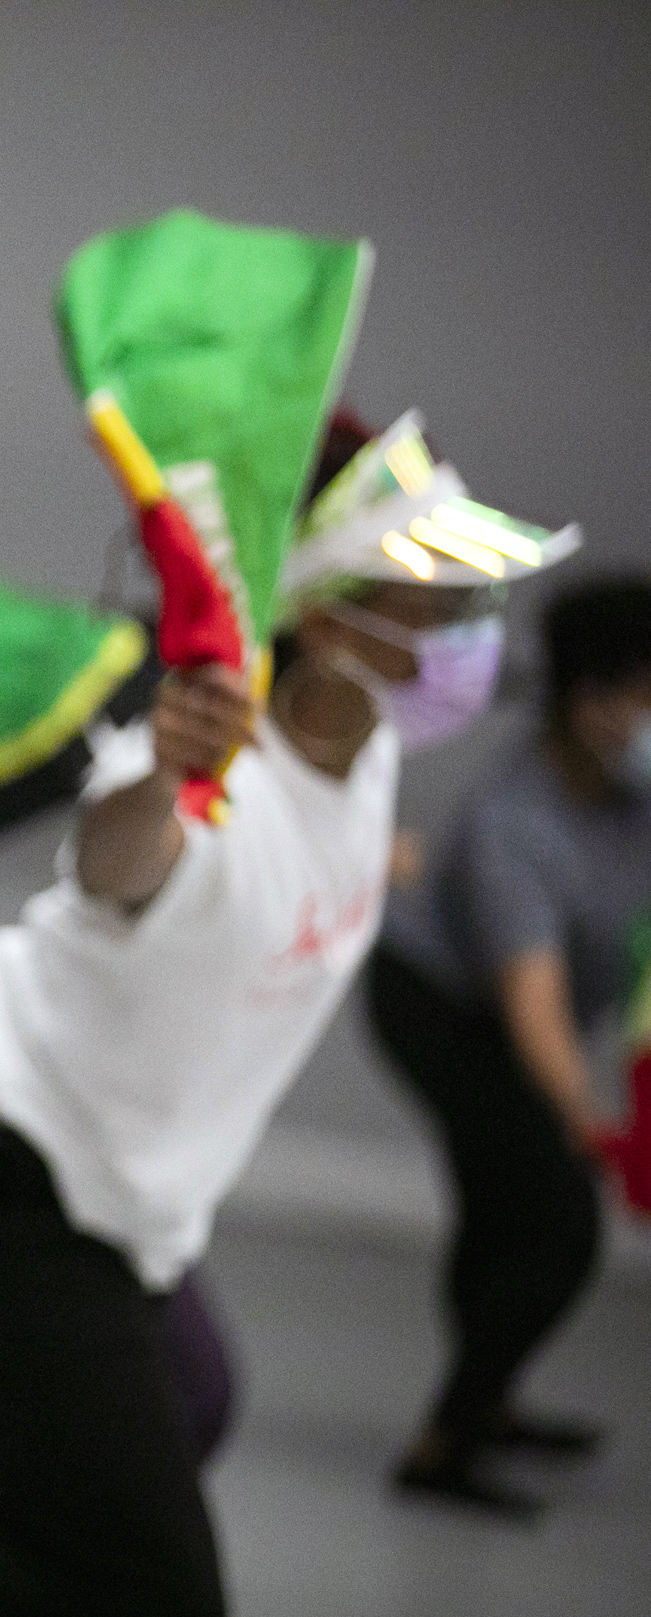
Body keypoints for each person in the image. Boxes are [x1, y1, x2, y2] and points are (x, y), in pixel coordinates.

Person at [0, 414, 573, 1617]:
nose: (470, 634)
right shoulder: (194, 780)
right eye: (438, 602)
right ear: (336, 625)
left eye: (474, 601)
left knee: (173, 1411)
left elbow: (319, 838)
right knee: (156, 1600)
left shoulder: (371, 740)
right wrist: (157, 779)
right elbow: (120, 855)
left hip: (121, 1190)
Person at [369, 575, 651, 1517]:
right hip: (442, 1012)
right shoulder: (515, 829)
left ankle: (486, 1404)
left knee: (503, 1212)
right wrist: (589, 1122)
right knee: (554, 1221)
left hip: (512, 1020)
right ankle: (441, 1440)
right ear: (594, 702)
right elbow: (533, 1001)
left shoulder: (626, 794)